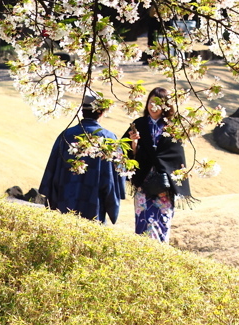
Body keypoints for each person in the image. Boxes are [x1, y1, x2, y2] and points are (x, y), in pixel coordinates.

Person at [39, 93, 122, 223]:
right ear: (101, 112)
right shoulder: (109, 138)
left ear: (82, 111)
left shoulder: (66, 135)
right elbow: (114, 178)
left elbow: (52, 171)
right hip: (95, 204)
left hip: (65, 200)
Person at [125, 86, 191, 243]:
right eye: (150, 102)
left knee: (162, 223)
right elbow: (128, 152)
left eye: (158, 103)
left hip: (165, 185)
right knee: (143, 225)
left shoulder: (173, 126)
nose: (153, 106)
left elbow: (176, 155)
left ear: (166, 106)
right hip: (144, 182)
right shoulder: (139, 123)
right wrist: (134, 144)